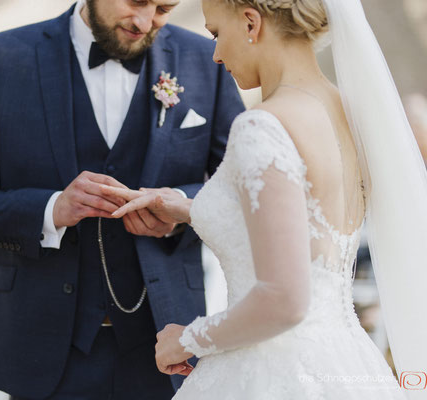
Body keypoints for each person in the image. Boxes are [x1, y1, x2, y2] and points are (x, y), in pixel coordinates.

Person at [102, 0, 427, 398]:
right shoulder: (345, 110)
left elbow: (285, 302)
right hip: (345, 362)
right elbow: (309, 223)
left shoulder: (262, 125)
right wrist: (190, 209)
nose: (217, 55)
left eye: (217, 34)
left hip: (270, 373)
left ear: (251, 22)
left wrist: (186, 340)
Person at [0, 0, 245, 399]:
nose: (146, 22)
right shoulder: (4, 57)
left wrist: (183, 207)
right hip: (37, 347)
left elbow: (241, 184)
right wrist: (50, 210)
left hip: (167, 348)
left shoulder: (205, 59)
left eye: (163, 7)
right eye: (136, 1)